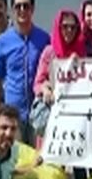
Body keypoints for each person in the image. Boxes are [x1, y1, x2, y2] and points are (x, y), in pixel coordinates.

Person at [0, 0, 50, 145]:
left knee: (38, 159)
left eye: (26, 6)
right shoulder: (3, 41)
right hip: (13, 113)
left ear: (33, 9)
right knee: (14, 159)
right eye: (18, 6)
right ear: (12, 10)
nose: (22, 10)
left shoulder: (44, 38)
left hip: (39, 112)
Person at [33, 8, 83, 145]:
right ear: (58, 27)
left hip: (75, 119)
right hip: (51, 117)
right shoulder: (49, 52)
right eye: (65, 26)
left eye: (73, 27)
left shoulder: (82, 53)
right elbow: (38, 83)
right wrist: (45, 89)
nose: (69, 30)